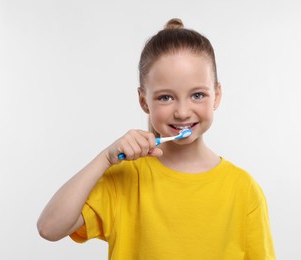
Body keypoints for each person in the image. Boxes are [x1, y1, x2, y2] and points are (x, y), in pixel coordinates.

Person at [37, 18, 276, 260]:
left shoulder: (243, 189)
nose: (182, 111)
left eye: (197, 95)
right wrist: (106, 158)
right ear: (144, 101)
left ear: (217, 95)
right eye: (165, 98)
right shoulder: (127, 178)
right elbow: (49, 228)